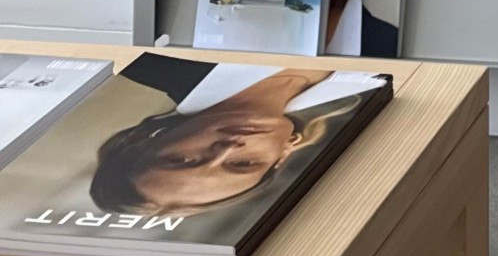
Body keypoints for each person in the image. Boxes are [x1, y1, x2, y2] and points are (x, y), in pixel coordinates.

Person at [89, 63, 386, 215]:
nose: (227, 148)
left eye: (180, 159)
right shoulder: (378, 84)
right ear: (282, 156)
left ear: (141, 140)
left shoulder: (149, 61)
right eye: (243, 164)